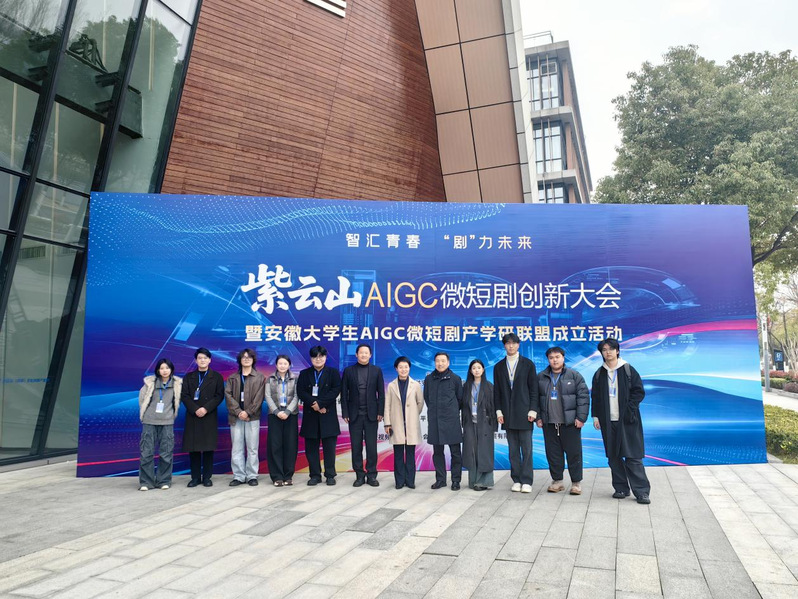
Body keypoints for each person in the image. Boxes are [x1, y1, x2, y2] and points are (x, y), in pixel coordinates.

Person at [591, 338, 651, 504]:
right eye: (604, 350)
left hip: (628, 421)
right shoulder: (599, 373)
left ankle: (642, 492)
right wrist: (595, 416)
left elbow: (639, 392)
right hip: (608, 421)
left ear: (617, 351)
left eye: (611, 349)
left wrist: (629, 410)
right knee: (613, 456)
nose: (608, 352)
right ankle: (621, 488)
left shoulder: (628, 369)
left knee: (633, 456)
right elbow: (595, 397)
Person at [536, 346, 589, 495]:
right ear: (548, 360)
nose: (555, 360)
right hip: (549, 423)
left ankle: (576, 483)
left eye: (557, 357)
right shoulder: (541, 377)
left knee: (574, 454)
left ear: (563, 358)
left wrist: (581, 418)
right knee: (553, 454)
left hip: (570, 423)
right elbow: (535, 399)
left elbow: (583, 397)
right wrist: (538, 417)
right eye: (551, 358)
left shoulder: (574, 375)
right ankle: (557, 481)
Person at [493, 333, 539, 493]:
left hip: (526, 413)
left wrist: (533, 410)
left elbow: (534, 390)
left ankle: (527, 480)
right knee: (513, 450)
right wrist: (499, 411)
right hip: (507, 414)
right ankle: (516, 479)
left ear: (518, 345)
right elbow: (497, 392)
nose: (511, 346)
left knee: (526, 449)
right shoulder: (499, 366)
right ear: (504, 345)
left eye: (513, 343)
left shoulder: (528, 364)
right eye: (508, 343)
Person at [341, 343, 385, 487]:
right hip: (354, 415)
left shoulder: (376, 370)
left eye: (366, 353)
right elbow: (344, 393)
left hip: (371, 415)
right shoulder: (349, 371)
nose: (364, 355)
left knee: (372, 447)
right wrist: (345, 412)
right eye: (361, 352)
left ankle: (372, 475)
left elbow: (381, 393)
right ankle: (359, 475)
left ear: (370, 355)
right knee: (356, 447)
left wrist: (380, 411)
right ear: (356, 354)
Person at [180, 347, 225, 487]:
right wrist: (195, 409)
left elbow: (219, 396)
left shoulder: (216, 377)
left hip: (208, 415)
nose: (202, 360)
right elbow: (184, 396)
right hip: (193, 415)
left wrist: (205, 408)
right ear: (196, 360)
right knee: (193, 448)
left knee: (208, 448)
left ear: (210, 360)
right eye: (200, 358)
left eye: (205, 358)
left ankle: (207, 477)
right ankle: (195, 478)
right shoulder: (189, 377)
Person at [297, 346, 342, 486]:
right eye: (315, 357)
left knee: (329, 448)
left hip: (327, 414)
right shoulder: (304, 374)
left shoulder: (333, 373)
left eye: (321, 356)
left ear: (325, 357)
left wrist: (321, 404)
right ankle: (315, 475)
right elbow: (301, 392)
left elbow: (335, 390)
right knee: (311, 449)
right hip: (311, 415)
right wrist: (314, 404)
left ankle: (330, 475)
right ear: (311, 358)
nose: (318, 359)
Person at [138, 358, 182, 491]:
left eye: (167, 368)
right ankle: (146, 482)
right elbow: (142, 400)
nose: (164, 371)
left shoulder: (177, 384)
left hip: (167, 422)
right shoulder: (149, 383)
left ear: (171, 370)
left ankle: (164, 480)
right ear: (158, 370)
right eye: (162, 368)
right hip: (149, 421)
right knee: (146, 452)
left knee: (166, 453)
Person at [224, 348, 266, 487]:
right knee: (237, 448)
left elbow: (259, 398)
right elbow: (228, 396)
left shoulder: (260, 377)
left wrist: (248, 412)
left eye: (249, 357)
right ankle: (239, 476)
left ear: (253, 360)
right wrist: (238, 412)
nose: (246, 359)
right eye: (244, 357)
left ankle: (252, 475)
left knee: (252, 448)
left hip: (252, 418)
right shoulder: (232, 378)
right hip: (235, 418)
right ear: (240, 360)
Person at [424, 352, 464, 490]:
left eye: (443, 361)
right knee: (437, 453)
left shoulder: (455, 379)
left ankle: (456, 480)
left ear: (448, 362)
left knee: (455, 453)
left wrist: (450, 411)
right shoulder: (429, 379)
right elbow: (427, 398)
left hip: (451, 421)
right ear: (434, 362)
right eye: (437, 361)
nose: (440, 363)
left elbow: (460, 399)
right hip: (435, 421)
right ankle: (440, 480)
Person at [383, 356, 424, 489]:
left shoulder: (416, 385)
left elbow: (420, 403)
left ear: (409, 368)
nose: (403, 369)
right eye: (400, 367)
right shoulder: (391, 385)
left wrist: (412, 414)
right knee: (398, 455)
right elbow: (387, 405)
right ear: (396, 369)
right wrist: (387, 423)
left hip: (411, 424)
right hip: (396, 424)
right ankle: (399, 481)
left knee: (411, 454)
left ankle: (410, 480)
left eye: (406, 367)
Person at [461, 359, 496, 491]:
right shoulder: (466, 386)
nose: (476, 370)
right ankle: (473, 481)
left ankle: (483, 482)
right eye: (474, 368)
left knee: (484, 452)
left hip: (485, 423)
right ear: (470, 371)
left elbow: (493, 406)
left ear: (483, 370)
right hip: (470, 423)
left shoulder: (489, 386)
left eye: (479, 368)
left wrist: (493, 425)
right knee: (472, 452)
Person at [265, 354, 299, 487]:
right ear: (276, 365)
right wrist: (276, 411)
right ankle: (277, 476)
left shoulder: (295, 378)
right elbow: (267, 396)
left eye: (285, 363)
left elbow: (296, 396)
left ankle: (288, 476)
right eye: (280, 363)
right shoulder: (270, 379)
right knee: (275, 446)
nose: (282, 366)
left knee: (290, 445)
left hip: (291, 415)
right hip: (275, 415)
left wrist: (288, 411)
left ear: (289, 365)